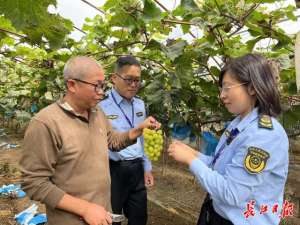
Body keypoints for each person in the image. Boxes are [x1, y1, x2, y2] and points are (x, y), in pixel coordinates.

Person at [19, 56, 160, 225]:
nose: (101, 92)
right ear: (72, 85)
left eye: (103, 85)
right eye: (96, 86)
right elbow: (34, 182)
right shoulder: (45, 123)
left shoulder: (96, 113)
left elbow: (113, 141)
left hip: (102, 214)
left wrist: (139, 129)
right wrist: (84, 208)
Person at [168, 53, 289, 225]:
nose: (222, 95)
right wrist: (194, 154)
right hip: (216, 213)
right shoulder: (238, 123)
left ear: (252, 88)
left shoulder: (264, 135)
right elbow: (221, 168)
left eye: (227, 87)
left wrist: (190, 160)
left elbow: (231, 193)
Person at [99, 55, 153, 225]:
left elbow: (143, 138)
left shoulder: (139, 104)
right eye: (129, 79)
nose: (134, 85)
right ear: (114, 78)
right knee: (112, 218)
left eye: (137, 80)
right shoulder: (101, 105)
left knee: (139, 217)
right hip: (112, 170)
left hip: (136, 169)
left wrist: (147, 167)